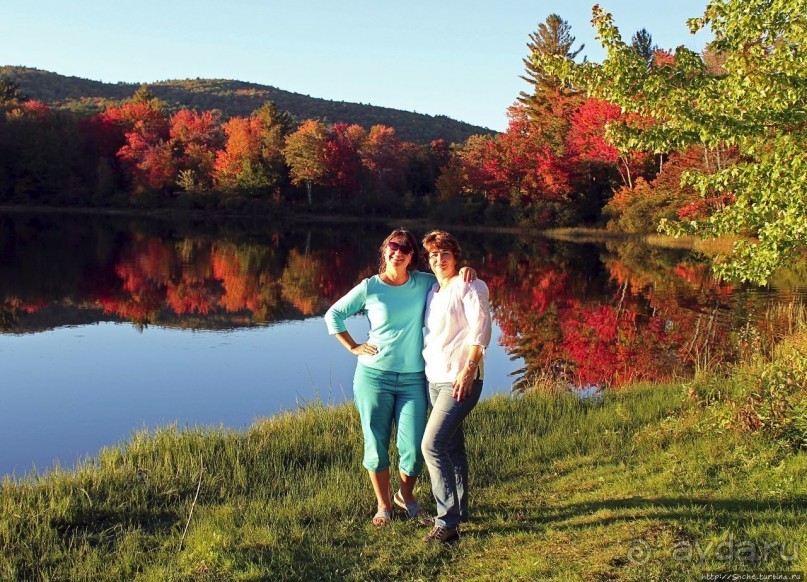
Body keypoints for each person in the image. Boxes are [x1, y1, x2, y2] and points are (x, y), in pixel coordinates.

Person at [324, 228, 475, 527]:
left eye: (405, 249)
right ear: (384, 250)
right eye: (394, 247)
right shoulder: (370, 287)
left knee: (414, 446)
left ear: (412, 257)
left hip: (413, 380)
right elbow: (333, 315)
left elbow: (451, 280)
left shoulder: (424, 283)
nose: (398, 252)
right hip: (373, 377)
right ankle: (383, 506)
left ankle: (405, 496)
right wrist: (354, 346)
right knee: (376, 443)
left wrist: (467, 269)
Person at [420, 230, 491, 544]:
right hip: (435, 378)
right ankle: (460, 509)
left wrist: (469, 369)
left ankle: (446, 523)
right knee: (451, 447)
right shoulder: (433, 289)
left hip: (461, 379)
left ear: (456, 256)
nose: (438, 259)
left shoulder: (470, 284)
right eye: (433, 255)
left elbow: (482, 329)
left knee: (431, 446)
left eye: (444, 253)